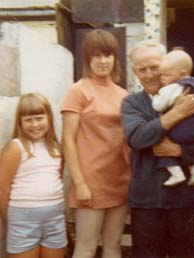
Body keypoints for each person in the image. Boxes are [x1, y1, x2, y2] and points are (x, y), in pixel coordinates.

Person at [120, 41, 194, 258]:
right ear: (135, 72)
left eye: (154, 67)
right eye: (142, 69)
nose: (149, 75)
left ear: (165, 65)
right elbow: (137, 138)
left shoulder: (190, 95)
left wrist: (179, 151)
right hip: (146, 200)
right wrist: (177, 113)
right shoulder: (132, 104)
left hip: (184, 198)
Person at [61, 29, 131, 258]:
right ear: (87, 58)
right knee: (86, 247)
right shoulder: (78, 91)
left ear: (115, 57)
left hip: (120, 180)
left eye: (108, 55)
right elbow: (68, 140)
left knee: (113, 246)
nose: (103, 61)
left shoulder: (123, 95)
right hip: (90, 182)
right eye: (97, 55)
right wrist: (79, 183)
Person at [0, 93, 67, 258]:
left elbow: (56, 177)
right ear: (20, 123)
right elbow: (2, 186)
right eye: (28, 120)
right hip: (23, 217)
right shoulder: (16, 147)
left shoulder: (57, 148)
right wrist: (10, 218)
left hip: (55, 216)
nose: (35, 124)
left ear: (49, 118)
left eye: (39, 118)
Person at [152, 49, 194, 187]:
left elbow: (159, 106)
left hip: (179, 131)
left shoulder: (172, 88)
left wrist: (156, 97)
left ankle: (177, 174)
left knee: (163, 148)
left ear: (182, 74)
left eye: (166, 75)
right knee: (191, 151)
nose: (162, 78)